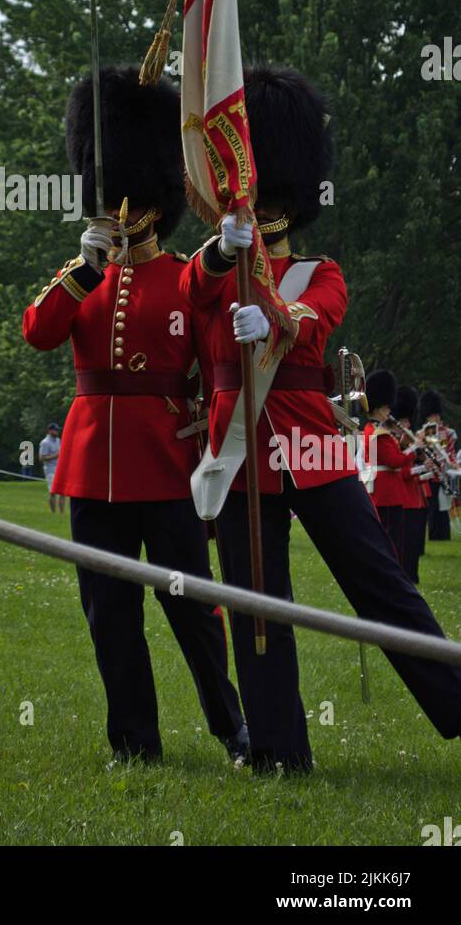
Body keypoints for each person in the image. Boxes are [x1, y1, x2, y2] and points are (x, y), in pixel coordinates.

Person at [182, 63, 461, 773]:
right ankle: (278, 749)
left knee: (380, 586)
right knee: (255, 605)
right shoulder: (212, 266)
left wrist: (268, 309)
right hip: (238, 449)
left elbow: (311, 321)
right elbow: (186, 296)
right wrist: (221, 253)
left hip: (309, 449)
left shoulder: (319, 271)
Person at [23, 66, 247, 767]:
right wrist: (82, 272)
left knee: (193, 612)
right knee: (109, 617)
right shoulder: (83, 275)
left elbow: (206, 278)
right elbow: (37, 331)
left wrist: (228, 246)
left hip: (164, 466)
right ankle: (134, 742)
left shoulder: (177, 271)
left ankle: (229, 727)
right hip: (93, 470)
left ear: (154, 197)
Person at [365, 370, 409, 563]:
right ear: (380, 408)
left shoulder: (376, 430)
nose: (390, 412)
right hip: (387, 492)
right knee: (392, 539)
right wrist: (414, 448)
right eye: (387, 408)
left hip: (386, 490)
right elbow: (394, 461)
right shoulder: (378, 433)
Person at [393, 384, 429, 583]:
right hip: (405, 497)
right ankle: (406, 575)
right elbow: (403, 471)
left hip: (417, 498)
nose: (407, 424)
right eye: (404, 421)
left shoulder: (408, 440)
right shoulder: (395, 442)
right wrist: (422, 467)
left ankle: (412, 575)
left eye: (408, 421)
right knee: (406, 543)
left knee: (415, 542)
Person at [420, 391, 456, 541]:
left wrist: (452, 465)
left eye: (436, 415)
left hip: (444, 472)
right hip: (430, 473)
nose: (434, 418)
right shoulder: (423, 433)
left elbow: (451, 451)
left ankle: (444, 534)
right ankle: (434, 535)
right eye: (432, 415)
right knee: (433, 506)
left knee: (444, 505)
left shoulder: (448, 433)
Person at [38, 422, 63, 513]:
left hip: (59, 468)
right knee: (53, 492)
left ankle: (61, 513)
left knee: (62, 492)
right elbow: (42, 458)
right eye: (55, 430)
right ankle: (53, 512)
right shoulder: (45, 442)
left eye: (57, 430)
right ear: (50, 431)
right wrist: (56, 455)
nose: (57, 432)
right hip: (50, 470)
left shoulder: (58, 440)